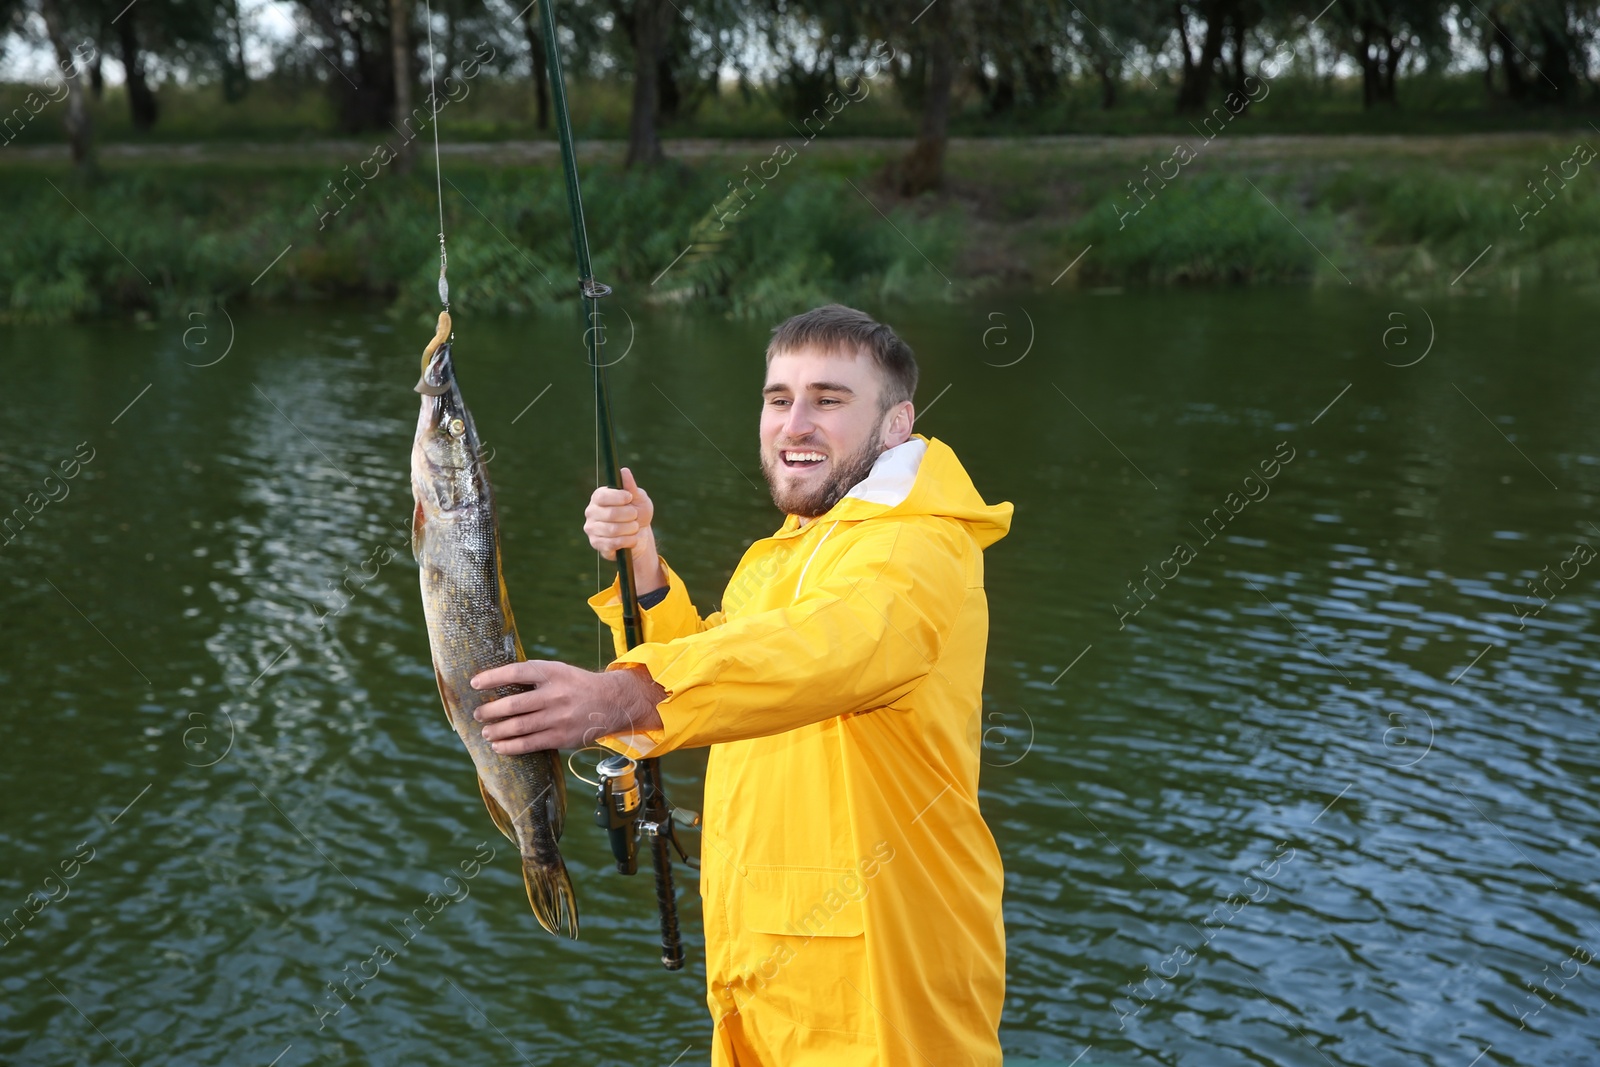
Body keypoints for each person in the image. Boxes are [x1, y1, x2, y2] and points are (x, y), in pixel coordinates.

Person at [470, 304, 1013, 1065]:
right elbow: (733, 666)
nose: (795, 423)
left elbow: (826, 651)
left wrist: (620, 696)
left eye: (829, 399)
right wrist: (648, 568)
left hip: (878, 995)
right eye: (777, 398)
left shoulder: (917, 548)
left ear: (896, 424)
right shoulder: (794, 549)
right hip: (763, 979)